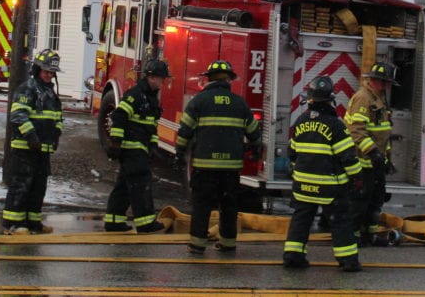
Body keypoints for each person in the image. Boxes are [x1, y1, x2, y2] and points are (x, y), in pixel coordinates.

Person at [176, 59, 262, 256]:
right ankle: (228, 243)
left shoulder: (199, 101)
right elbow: (254, 133)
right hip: (230, 168)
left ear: (209, 79)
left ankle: (197, 245)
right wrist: (255, 147)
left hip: (204, 167)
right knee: (229, 206)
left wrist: (179, 152)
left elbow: (185, 130)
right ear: (228, 80)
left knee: (202, 206)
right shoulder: (239, 103)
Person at [282, 76, 364, 273]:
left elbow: (292, 153)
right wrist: (357, 177)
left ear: (310, 100)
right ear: (330, 100)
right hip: (329, 187)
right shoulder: (335, 125)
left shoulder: (300, 122)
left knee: (301, 220)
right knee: (340, 221)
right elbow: (348, 157)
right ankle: (348, 261)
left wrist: (299, 171)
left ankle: (293, 256)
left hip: (302, 185)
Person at [103, 59, 171, 233]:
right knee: (141, 184)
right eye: (162, 79)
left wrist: (153, 146)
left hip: (140, 147)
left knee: (124, 186)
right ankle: (145, 223)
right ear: (152, 77)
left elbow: (151, 125)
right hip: (132, 148)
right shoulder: (136, 95)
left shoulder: (150, 98)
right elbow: (119, 116)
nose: (163, 82)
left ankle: (114, 221)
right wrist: (116, 142)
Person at [1, 48, 63, 235]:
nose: (49, 75)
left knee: (38, 187)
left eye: (52, 72)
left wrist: (56, 134)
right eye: (46, 71)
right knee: (21, 185)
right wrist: (31, 137)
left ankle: (33, 222)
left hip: (43, 148)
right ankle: (13, 224)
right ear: (37, 69)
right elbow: (18, 115)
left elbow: (57, 117)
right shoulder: (27, 89)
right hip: (25, 147)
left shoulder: (50, 92)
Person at [345, 61, 397, 245]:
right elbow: (356, 131)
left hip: (376, 163)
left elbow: (383, 133)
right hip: (363, 162)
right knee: (359, 202)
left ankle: (369, 235)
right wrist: (373, 153)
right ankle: (352, 237)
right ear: (377, 81)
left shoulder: (379, 98)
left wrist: (386, 159)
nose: (388, 86)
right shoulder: (363, 98)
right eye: (386, 82)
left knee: (376, 201)